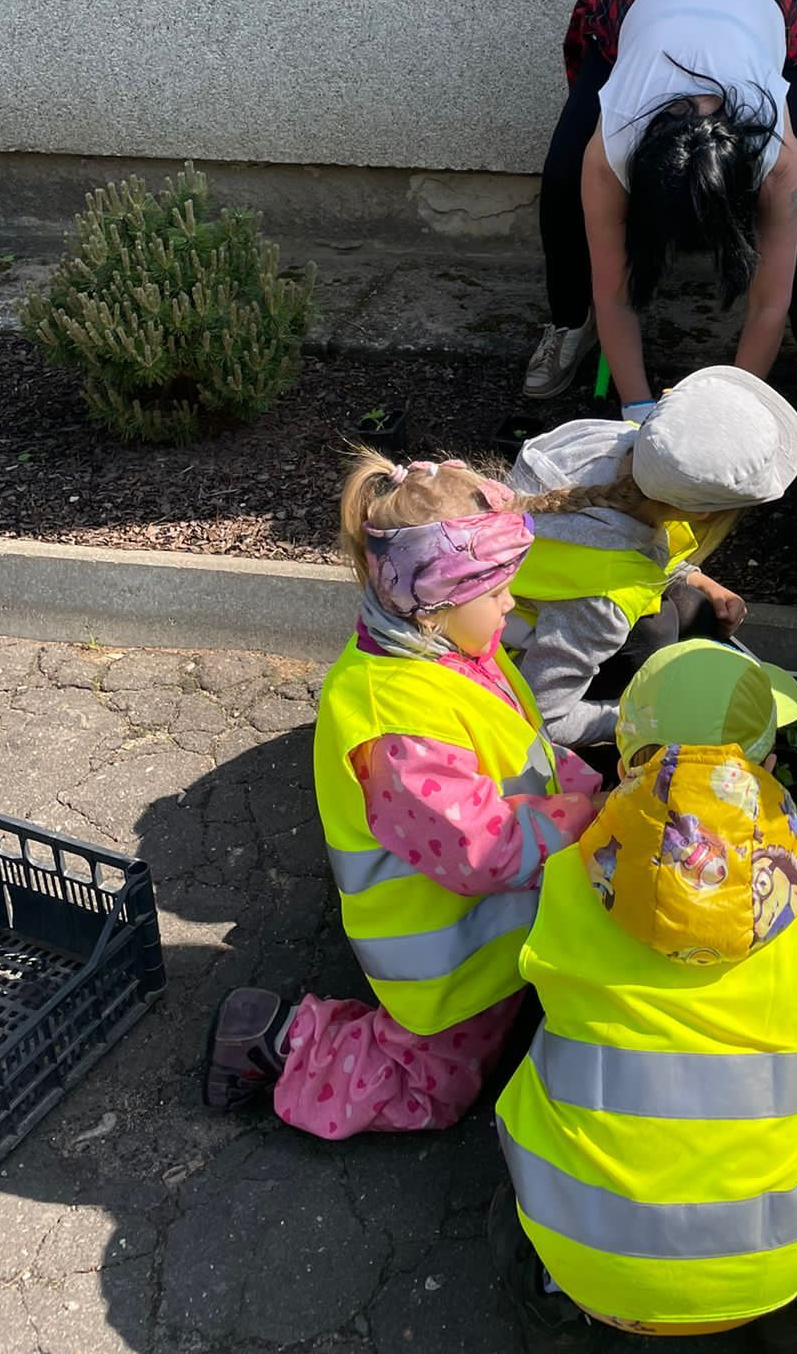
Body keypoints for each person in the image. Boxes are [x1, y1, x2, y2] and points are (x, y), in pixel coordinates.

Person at [201, 452, 601, 1135]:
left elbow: (519, 746)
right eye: (497, 591)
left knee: (495, 1024)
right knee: (428, 1089)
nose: (511, 603)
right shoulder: (397, 723)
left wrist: (586, 784)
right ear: (437, 604)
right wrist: (587, 815)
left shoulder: (455, 655)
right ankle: (277, 1039)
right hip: (445, 954)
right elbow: (480, 851)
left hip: (490, 924)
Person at [494, 639, 797, 1345]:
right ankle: (791, 1307)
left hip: (589, 1263)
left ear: (626, 765)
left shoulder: (567, 880)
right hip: (780, 1259)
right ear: (765, 770)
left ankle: (554, 1296)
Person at [524, 0, 797, 412]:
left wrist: (730, 410)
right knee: (563, 178)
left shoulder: (776, 156)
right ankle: (571, 321)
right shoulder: (613, 148)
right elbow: (614, 298)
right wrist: (637, 411)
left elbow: (768, 305)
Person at [504, 365, 797, 748]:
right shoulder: (601, 603)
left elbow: (615, 536)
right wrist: (643, 720)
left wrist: (698, 579)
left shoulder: (607, 442)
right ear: (701, 513)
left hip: (543, 597)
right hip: (511, 652)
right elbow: (541, 719)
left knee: (688, 609)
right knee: (660, 627)